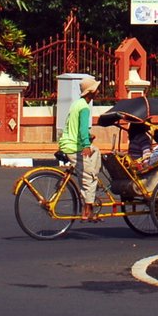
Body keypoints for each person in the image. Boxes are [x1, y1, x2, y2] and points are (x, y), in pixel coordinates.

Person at [56, 76, 104, 222]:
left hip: (68, 142)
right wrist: (86, 144)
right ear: (91, 92)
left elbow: (74, 126)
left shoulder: (77, 104)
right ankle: (87, 210)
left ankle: (91, 185)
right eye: (96, 90)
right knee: (90, 178)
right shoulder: (84, 108)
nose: (98, 92)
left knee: (96, 152)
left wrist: (88, 137)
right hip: (73, 146)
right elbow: (82, 128)